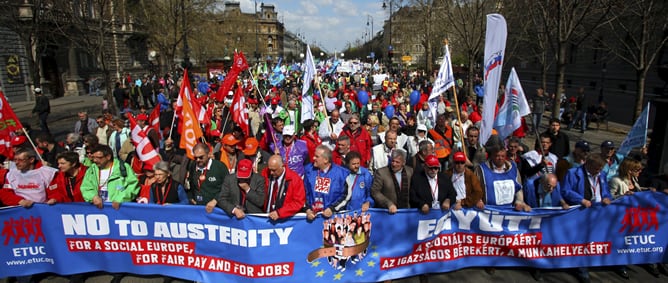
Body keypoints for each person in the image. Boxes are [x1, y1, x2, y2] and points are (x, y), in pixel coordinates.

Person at [560, 154, 615, 282]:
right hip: (580, 211)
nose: (599, 171)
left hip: (597, 212)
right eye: (596, 169)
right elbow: (566, 191)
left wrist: (607, 198)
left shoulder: (601, 175)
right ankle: (581, 268)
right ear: (588, 165)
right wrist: (581, 200)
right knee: (580, 241)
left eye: (601, 169)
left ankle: (591, 262)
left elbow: (605, 191)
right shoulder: (573, 173)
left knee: (594, 239)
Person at [80, 145, 139, 210]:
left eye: (98, 157)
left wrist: (120, 199)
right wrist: (93, 197)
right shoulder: (92, 169)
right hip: (98, 209)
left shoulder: (123, 167)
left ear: (108, 157)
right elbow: (86, 187)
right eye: (93, 157)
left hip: (118, 209)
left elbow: (133, 186)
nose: (95, 160)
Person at [475, 146, 530, 211]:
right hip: (488, 211)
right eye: (497, 156)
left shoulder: (513, 169)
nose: (500, 158)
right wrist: (478, 200)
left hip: (509, 210)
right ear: (492, 156)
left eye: (503, 156)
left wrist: (519, 201)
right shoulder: (481, 169)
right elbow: (475, 188)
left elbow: (518, 188)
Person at [304, 145, 350, 220]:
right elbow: (302, 193)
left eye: (317, 156)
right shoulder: (308, 171)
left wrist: (332, 208)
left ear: (325, 160)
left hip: (333, 218)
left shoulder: (342, 174)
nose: (313, 158)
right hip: (312, 218)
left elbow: (346, 196)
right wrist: (307, 209)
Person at [262, 155, 306, 220]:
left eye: (274, 170)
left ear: (282, 166)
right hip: (265, 216)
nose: (271, 172)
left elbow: (298, 202)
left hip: (283, 219)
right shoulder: (265, 173)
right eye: (270, 169)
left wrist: (280, 213)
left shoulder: (294, 179)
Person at [371, 149, 413, 214]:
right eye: (392, 161)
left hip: (405, 212)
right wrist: (388, 204)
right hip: (387, 212)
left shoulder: (410, 171)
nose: (394, 164)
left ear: (404, 162)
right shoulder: (381, 173)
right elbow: (375, 192)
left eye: (397, 162)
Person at [187, 143, 228, 208]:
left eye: (201, 157)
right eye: (195, 158)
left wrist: (215, 200)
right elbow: (189, 185)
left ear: (209, 154)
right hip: (198, 207)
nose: (198, 160)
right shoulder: (192, 166)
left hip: (216, 207)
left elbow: (227, 188)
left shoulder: (220, 167)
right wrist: (191, 198)